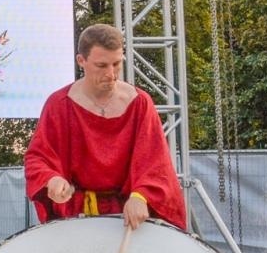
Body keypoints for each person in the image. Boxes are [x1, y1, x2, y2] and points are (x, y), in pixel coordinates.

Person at [22, 23, 187, 231]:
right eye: (101, 65)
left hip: (128, 218)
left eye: (116, 64)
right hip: (76, 217)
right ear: (81, 61)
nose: (111, 74)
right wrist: (51, 179)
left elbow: (156, 162)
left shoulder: (139, 103)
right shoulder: (59, 104)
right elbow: (38, 158)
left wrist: (141, 196)